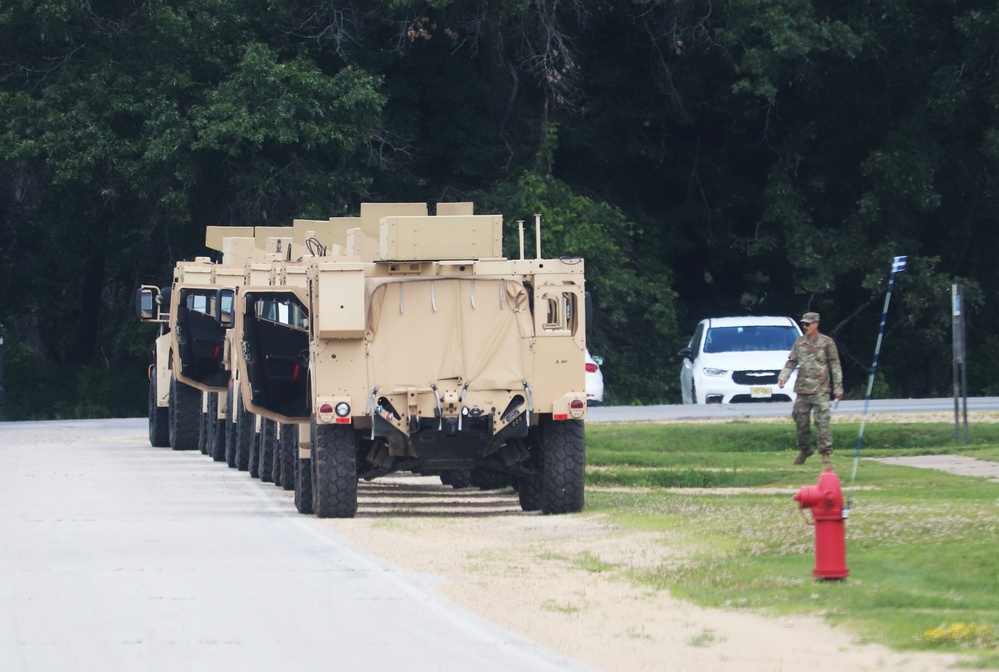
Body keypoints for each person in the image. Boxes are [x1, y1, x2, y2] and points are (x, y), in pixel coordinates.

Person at [777, 312, 843, 465]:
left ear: (816, 324)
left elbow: (835, 365)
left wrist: (838, 387)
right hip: (802, 389)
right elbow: (791, 362)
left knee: (822, 422)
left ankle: (825, 453)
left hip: (821, 389)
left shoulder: (827, 342)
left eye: (808, 324)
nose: (805, 327)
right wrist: (783, 377)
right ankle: (805, 449)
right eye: (804, 324)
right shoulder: (799, 342)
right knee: (800, 420)